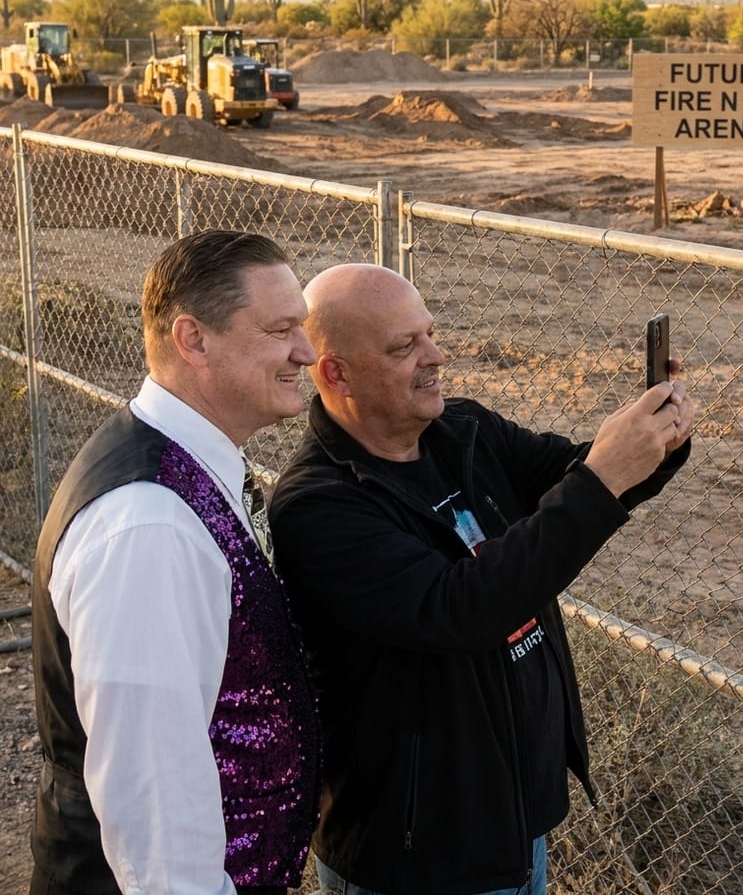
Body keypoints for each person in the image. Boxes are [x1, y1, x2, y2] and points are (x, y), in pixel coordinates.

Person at [268, 262, 695, 895]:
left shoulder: (461, 430)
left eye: (429, 333)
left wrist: (657, 441)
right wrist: (605, 476)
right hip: (419, 857)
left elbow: (572, 479)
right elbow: (461, 609)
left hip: (514, 825)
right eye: (404, 346)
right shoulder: (318, 506)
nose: (434, 356)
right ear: (336, 373)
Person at [30, 230, 322, 895]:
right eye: (280, 329)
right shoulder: (150, 523)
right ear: (193, 339)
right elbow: (154, 808)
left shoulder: (178, 468)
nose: (305, 350)